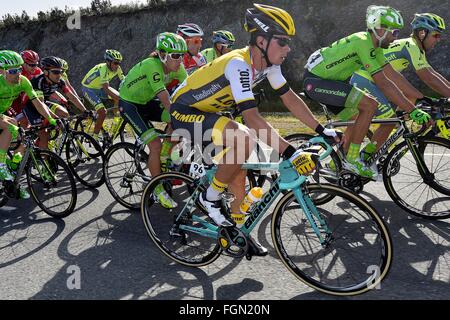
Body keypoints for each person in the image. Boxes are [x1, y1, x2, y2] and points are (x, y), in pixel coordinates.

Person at [170, 4, 338, 255]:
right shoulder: (238, 64)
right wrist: (291, 152)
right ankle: (210, 197)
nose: (288, 48)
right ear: (262, 41)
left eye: (288, 42)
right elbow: (252, 118)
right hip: (184, 109)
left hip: (209, 112)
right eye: (282, 42)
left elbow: (289, 99)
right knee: (245, 139)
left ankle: (239, 231)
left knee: (239, 167)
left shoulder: (268, 65)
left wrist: (321, 129)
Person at [303, 5, 430, 179]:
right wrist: (412, 110)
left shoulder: (375, 48)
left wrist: (415, 101)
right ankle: (353, 160)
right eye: (394, 32)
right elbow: (384, 83)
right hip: (317, 82)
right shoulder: (363, 42)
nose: (395, 38)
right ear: (379, 30)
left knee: (355, 121)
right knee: (369, 105)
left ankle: (335, 165)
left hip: (329, 82)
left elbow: (391, 75)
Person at [350, 13, 448, 153]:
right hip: (364, 79)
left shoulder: (415, 47)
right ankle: (365, 158)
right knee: (390, 120)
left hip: (375, 81)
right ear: (422, 33)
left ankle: (379, 149)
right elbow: (428, 78)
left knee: (400, 113)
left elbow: (432, 73)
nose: (438, 40)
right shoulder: (411, 45)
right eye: (436, 35)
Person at [119, 32, 188, 209]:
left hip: (147, 102)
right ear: (163, 55)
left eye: (183, 55)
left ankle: (165, 155)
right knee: (155, 144)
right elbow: (165, 97)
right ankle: (156, 188)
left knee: (180, 122)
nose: (180, 60)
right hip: (130, 105)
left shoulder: (178, 68)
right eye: (176, 56)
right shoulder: (152, 65)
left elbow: (190, 88)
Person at [0, 50, 57, 199]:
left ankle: (13, 172)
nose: (18, 73)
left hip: (4, 112)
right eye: (13, 70)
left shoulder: (23, 81)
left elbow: (37, 102)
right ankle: (2, 166)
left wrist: (50, 119)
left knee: (25, 135)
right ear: (2, 71)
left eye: (19, 69)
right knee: (12, 127)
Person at [22, 56, 89, 149]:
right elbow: (40, 104)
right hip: (32, 107)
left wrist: (85, 110)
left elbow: (72, 97)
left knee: (64, 114)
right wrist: (54, 118)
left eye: (61, 72)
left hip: (43, 103)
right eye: (55, 72)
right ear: (45, 72)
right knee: (44, 135)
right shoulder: (38, 82)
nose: (59, 75)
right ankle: (42, 160)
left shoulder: (59, 81)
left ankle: (62, 140)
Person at [81, 49, 124, 142]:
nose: (117, 65)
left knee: (120, 98)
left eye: (119, 63)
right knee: (103, 112)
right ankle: (95, 137)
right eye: (115, 63)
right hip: (88, 89)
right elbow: (106, 89)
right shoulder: (103, 69)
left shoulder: (117, 68)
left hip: (100, 87)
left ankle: (116, 122)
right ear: (108, 62)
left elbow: (124, 81)